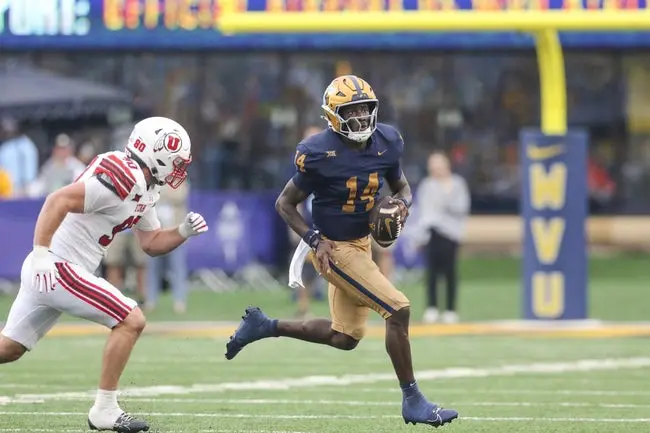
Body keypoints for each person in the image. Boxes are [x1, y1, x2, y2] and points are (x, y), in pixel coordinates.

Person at [225, 75, 458, 427]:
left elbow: (403, 186)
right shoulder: (319, 152)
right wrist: (315, 240)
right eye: (353, 110)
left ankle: (264, 325)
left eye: (366, 108)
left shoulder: (387, 142)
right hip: (334, 250)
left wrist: (402, 205)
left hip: (362, 245)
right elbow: (285, 204)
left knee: (344, 337)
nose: (362, 116)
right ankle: (413, 399)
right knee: (398, 309)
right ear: (333, 115)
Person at [0, 117, 208, 433]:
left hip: (55, 267)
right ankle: (105, 409)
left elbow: (150, 243)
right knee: (131, 318)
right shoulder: (124, 175)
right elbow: (57, 200)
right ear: (157, 151)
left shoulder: (145, 186)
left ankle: (105, 408)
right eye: (176, 161)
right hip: (57, 266)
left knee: (9, 348)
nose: (180, 169)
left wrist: (182, 231)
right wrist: (42, 253)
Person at [415, 151, 470, 324]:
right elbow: (423, 211)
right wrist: (419, 236)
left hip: (451, 233)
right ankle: (431, 308)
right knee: (431, 272)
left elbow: (462, 207)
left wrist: (446, 200)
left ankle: (450, 309)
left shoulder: (457, 184)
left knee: (450, 272)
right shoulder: (427, 185)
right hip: (432, 232)